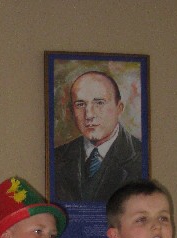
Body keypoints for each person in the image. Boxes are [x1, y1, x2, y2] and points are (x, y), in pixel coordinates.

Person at [54, 70, 143, 203]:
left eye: (99, 103)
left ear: (119, 108)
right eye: (80, 104)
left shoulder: (140, 157)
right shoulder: (57, 157)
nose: (89, 114)